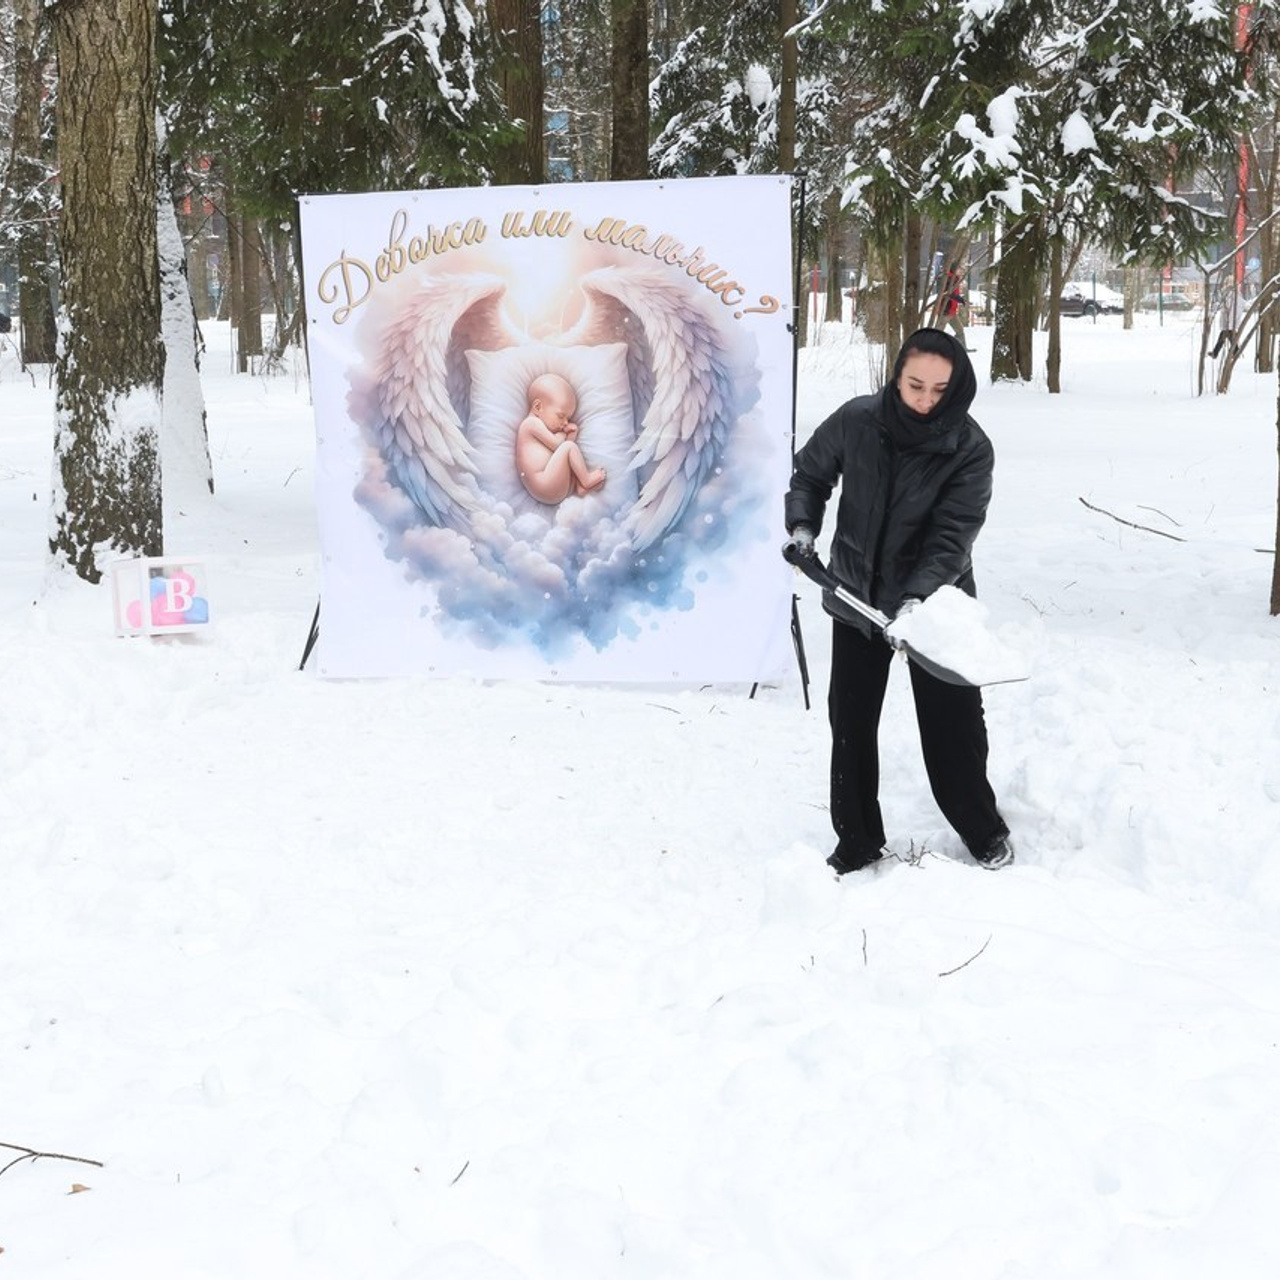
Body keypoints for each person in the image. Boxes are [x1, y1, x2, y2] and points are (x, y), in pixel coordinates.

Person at [782, 328, 1013, 874]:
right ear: (897, 377)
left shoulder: (970, 449)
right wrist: (803, 526)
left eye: (939, 390)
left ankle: (982, 828)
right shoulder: (857, 420)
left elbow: (951, 539)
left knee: (952, 723)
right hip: (856, 598)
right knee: (851, 723)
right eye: (915, 386)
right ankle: (857, 839)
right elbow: (810, 473)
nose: (926, 400)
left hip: (934, 608)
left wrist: (916, 602)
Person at [515, 372, 607, 504]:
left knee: (569, 451)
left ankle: (579, 487)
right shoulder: (531, 424)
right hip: (544, 484)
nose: (565, 423)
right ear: (538, 407)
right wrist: (564, 434)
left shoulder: (543, 428)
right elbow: (559, 446)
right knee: (569, 447)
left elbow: (564, 455)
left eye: (568, 418)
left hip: (551, 484)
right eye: (561, 416)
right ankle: (586, 480)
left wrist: (571, 436)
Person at [939, 265, 971, 350]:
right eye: (959, 269)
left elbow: (954, 294)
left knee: (960, 330)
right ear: (954, 269)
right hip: (946, 310)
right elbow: (949, 294)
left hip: (952, 311)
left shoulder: (955, 279)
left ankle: (961, 348)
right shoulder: (948, 279)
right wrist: (961, 300)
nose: (961, 271)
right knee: (938, 332)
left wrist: (961, 300)